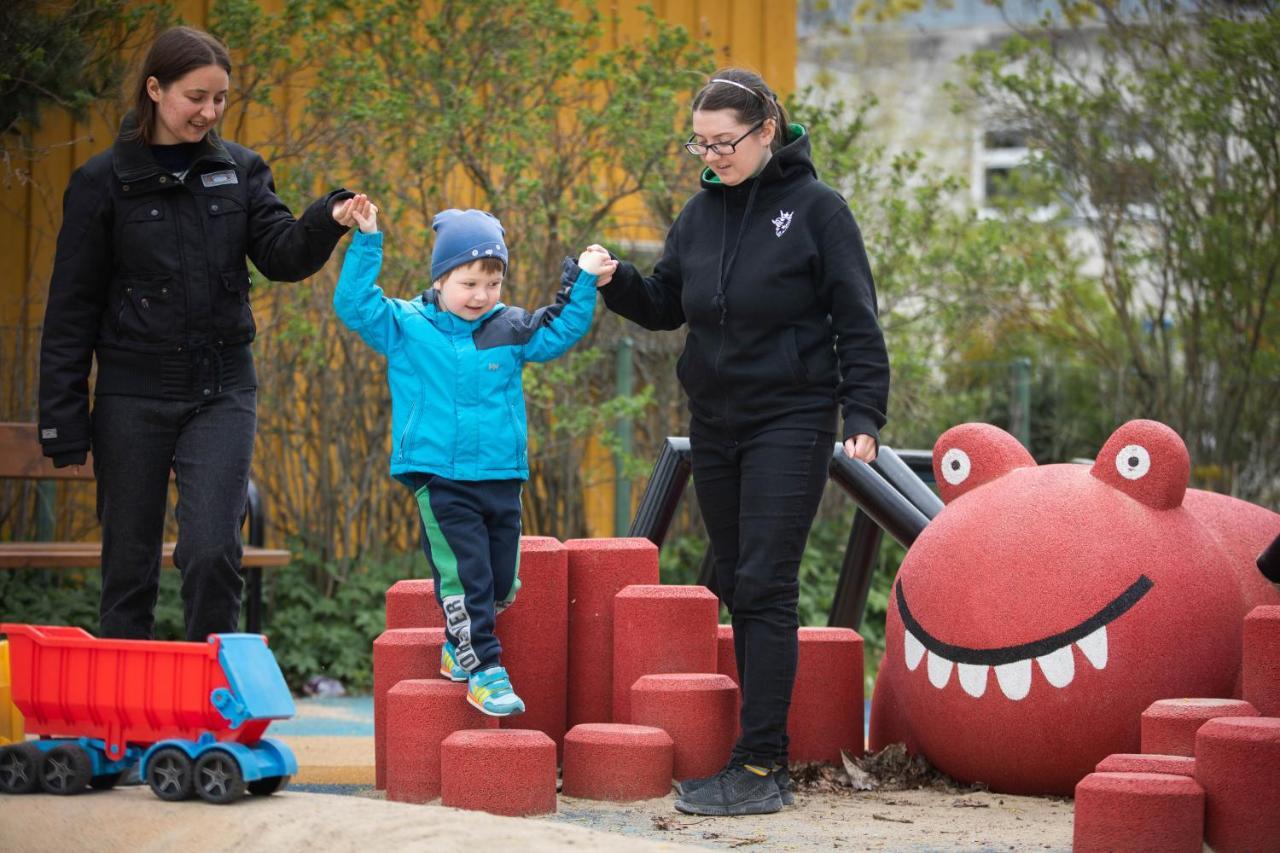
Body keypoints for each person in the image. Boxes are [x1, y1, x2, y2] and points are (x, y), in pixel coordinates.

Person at [595, 68, 890, 815]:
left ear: (766, 132)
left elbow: (856, 317)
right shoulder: (700, 215)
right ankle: (750, 757)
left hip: (791, 418)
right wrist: (614, 280)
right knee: (735, 576)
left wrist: (863, 414)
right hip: (716, 421)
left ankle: (763, 766)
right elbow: (667, 304)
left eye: (724, 141)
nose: (712, 153)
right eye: (700, 141)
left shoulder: (819, 211)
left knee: (765, 580)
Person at [37, 26, 360, 642]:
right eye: (196, 97)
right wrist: (63, 419)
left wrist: (327, 217)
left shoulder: (239, 171)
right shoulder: (101, 181)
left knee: (213, 551)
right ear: (154, 90)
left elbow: (282, 256)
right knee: (128, 567)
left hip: (222, 392)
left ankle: (213, 707)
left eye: (220, 100)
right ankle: (122, 720)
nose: (209, 112)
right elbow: (70, 310)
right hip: (132, 397)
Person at [333, 195, 613, 716]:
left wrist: (583, 280)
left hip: (501, 474)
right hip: (439, 478)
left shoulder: (508, 327)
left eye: (493, 283)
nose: (482, 295)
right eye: (468, 283)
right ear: (439, 279)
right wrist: (367, 240)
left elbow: (559, 331)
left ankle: (456, 647)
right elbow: (353, 306)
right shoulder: (406, 325)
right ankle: (484, 669)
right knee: (468, 577)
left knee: (503, 581)